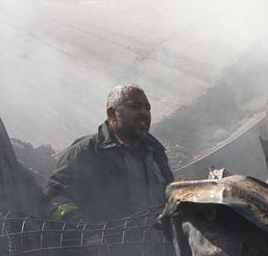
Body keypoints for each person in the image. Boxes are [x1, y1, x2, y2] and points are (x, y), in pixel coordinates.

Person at [44, 85, 174, 223]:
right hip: (111, 243)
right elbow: (53, 197)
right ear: (112, 114)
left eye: (147, 108)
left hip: (161, 242)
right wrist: (85, 232)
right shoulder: (86, 152)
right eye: (135, 106)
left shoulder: (155, 152)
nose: (144, 113)